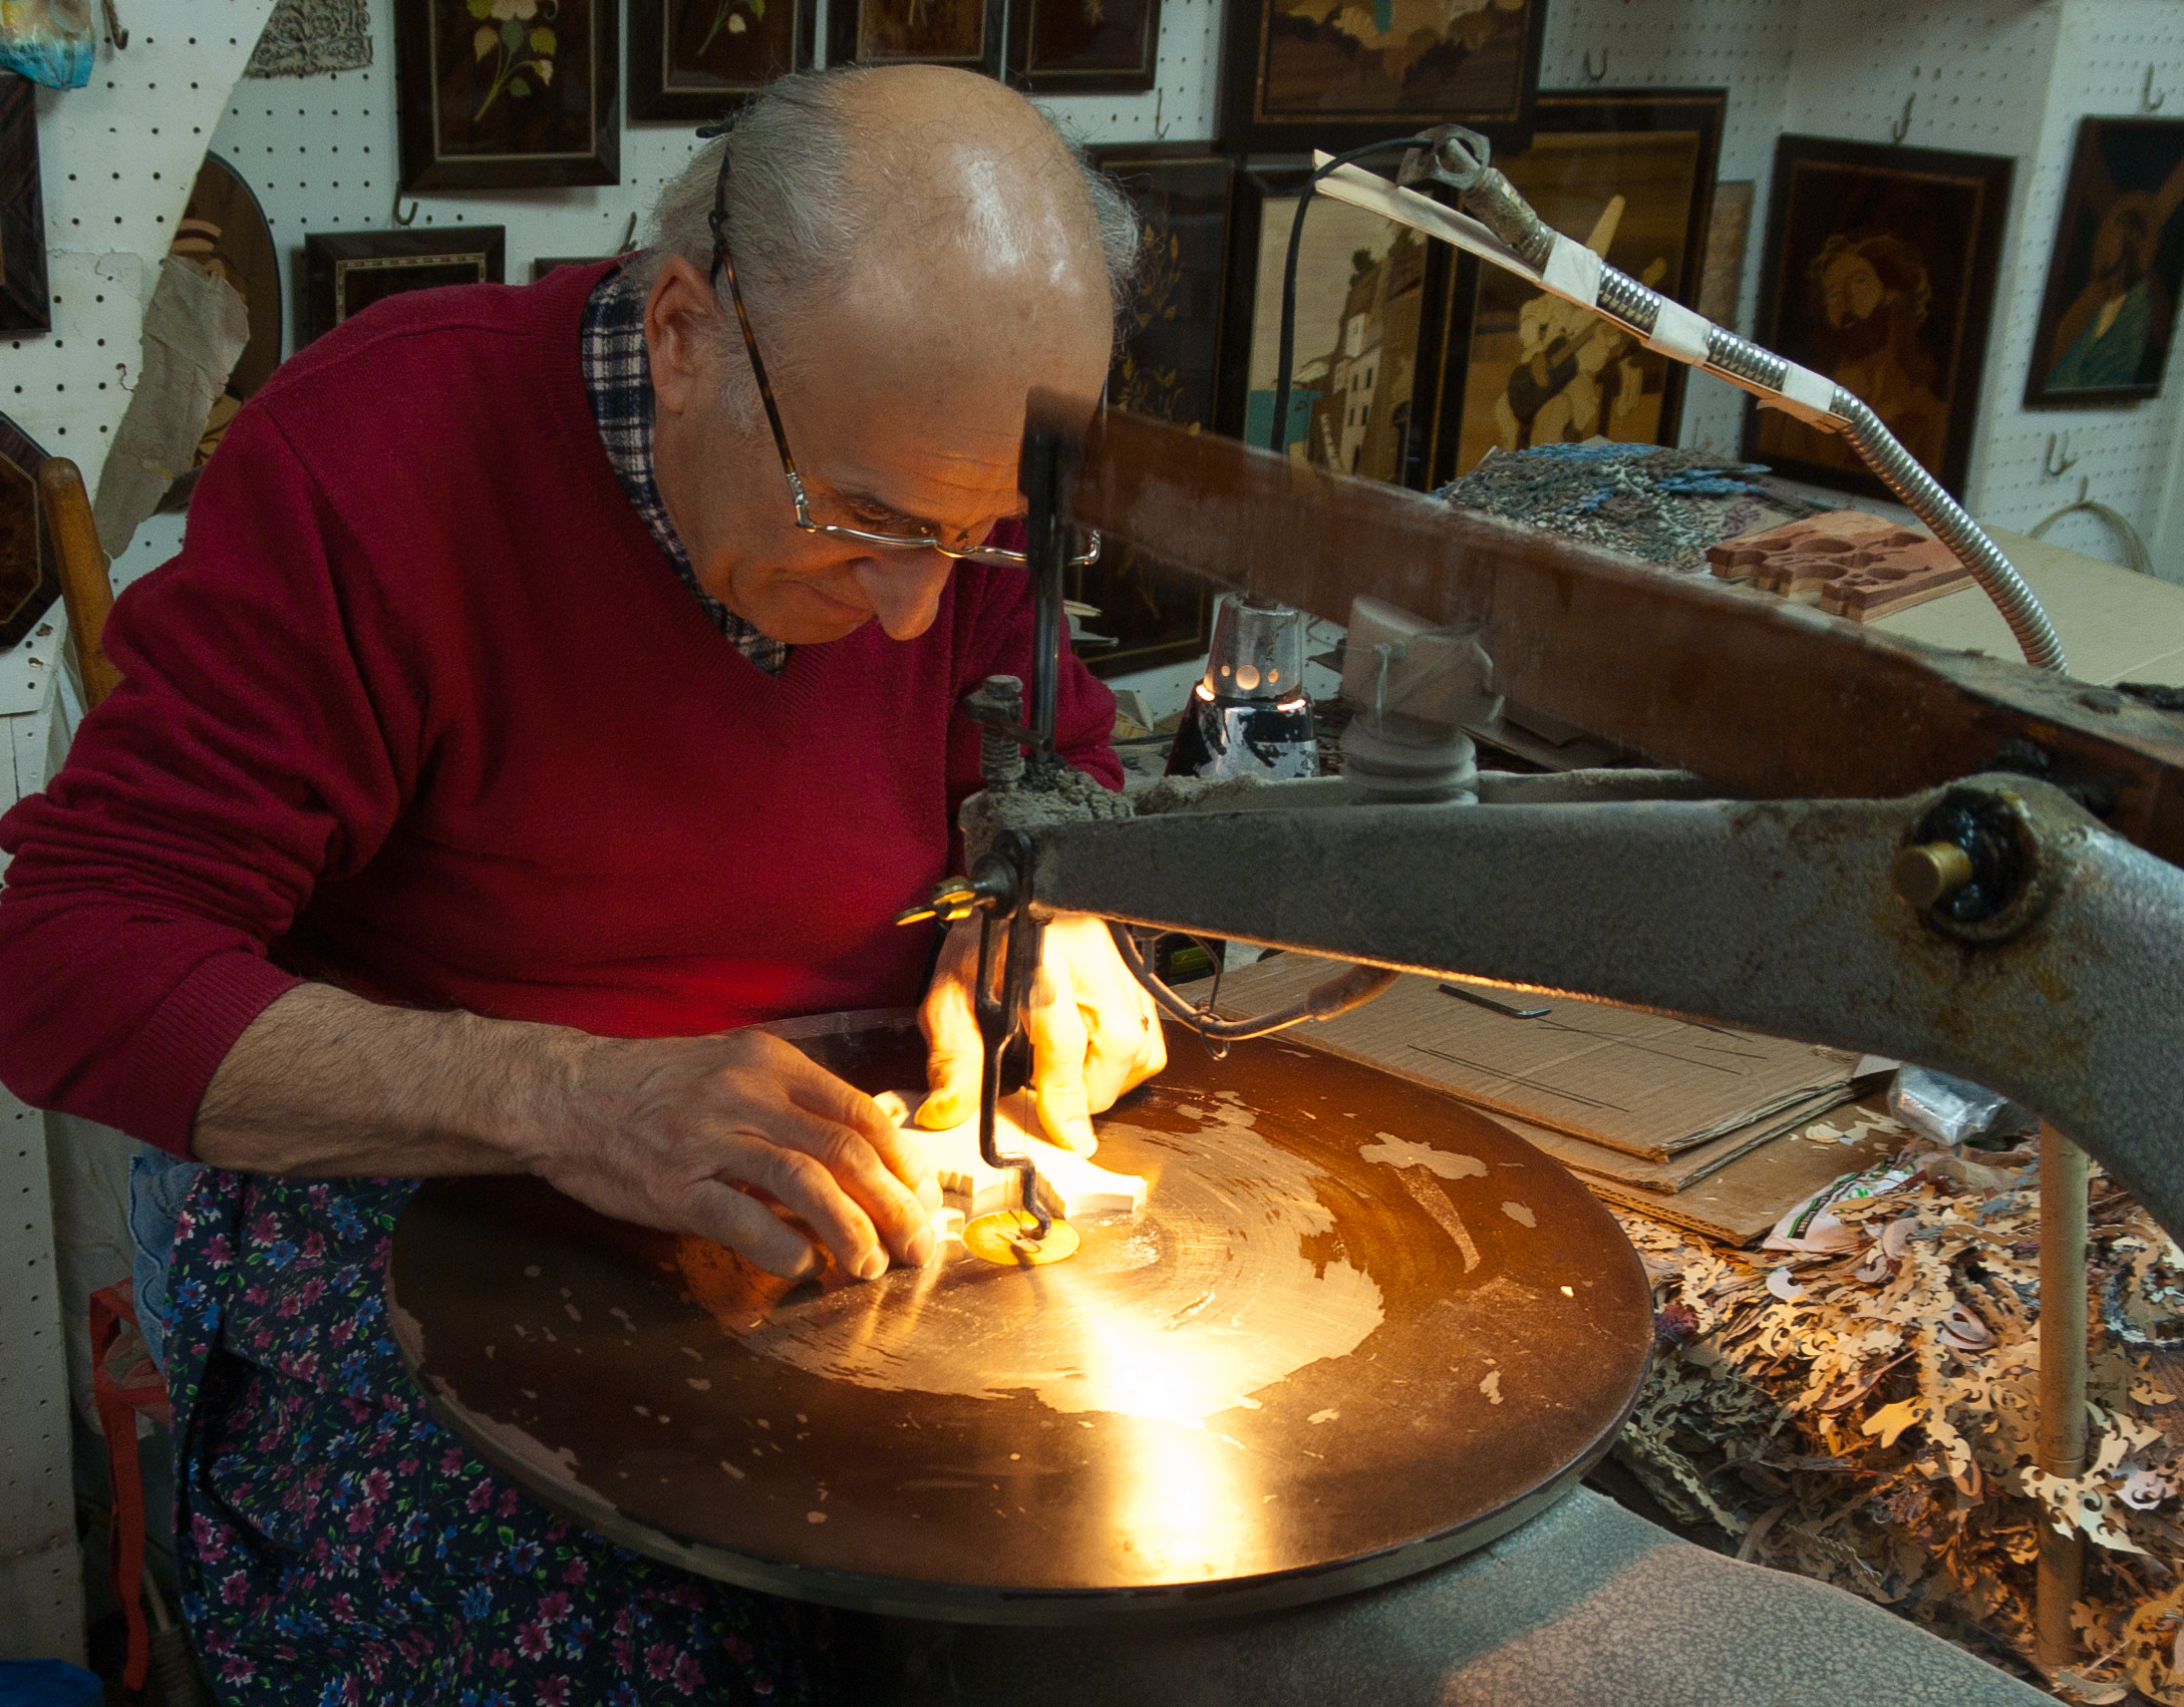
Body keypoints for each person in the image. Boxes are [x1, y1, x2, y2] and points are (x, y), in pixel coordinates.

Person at [0, 66, 1166, 1703]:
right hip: (439, 1206)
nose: (918, 613)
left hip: (831, 1183)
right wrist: (569, 1097)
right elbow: (69, 962)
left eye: (978, 540)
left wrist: (1049, 923)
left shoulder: (947, 487)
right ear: (686, 331)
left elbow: (1054, 757)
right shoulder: (377, 462)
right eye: (866, 522)